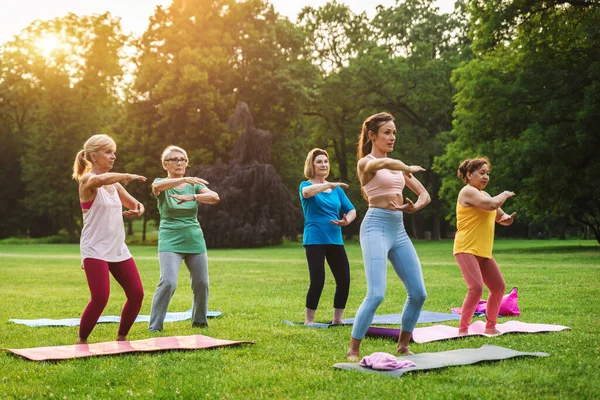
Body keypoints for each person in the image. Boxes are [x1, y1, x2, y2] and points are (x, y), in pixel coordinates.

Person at [347, 112, 429, 360]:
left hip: (398, 229)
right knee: (376, 294)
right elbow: (383, 164)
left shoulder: (398, 165)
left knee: (418, 293)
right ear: (372, 135)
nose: (392, 137)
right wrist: (404, 166)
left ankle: (403, 345)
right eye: (387, 132)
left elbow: (424, 194)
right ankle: (353, 349)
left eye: (394, 132)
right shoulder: (366, 163)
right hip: (375, 227)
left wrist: (415, 206)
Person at [72, 134, 146, 344]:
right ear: (93, 156)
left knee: (137, 294)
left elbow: (136, 204)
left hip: (117, 248)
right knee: (100, 298)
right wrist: (124, 174)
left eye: (114, 152)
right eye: (108, 152)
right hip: (94, 249)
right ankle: (82, 341)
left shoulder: (115, 186)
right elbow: (100, 179)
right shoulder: (88, 180)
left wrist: (138, 210)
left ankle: (122, 338)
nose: (113, 156)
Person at [148, 145, 220, 332]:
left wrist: (194, 196)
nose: (179, 162)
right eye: (174, 159)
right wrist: (184, 179)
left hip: (194, 237)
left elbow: (214, 197)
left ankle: (199, 322)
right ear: (165, 164)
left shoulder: (194, 185)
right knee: (169, 282)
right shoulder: (160, 182)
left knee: (201, 283)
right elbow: (156, 187)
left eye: (183, 159)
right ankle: (155, 326)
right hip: (170, 237)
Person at [454, 157, 515, 336]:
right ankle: (463, 330)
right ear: (468, 175)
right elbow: (493, 205)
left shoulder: (485, 195)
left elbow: (499, 215)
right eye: (481, 173)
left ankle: (490, 326)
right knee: (476, 288)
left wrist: (506, 220)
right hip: (466, 248)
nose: (486, 177)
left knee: (498, 287)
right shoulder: (467, 192)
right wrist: (504, 194)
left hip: (482, 250)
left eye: (487, 173)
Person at [299, 148, 356, 325]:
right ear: (312, 165)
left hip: (335, 239)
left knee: (344, 279)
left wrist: (347, 221)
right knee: (318, 280)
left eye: (326, 161)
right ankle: (309, 320)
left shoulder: (337, 191)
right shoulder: (306, 185)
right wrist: (329, 185)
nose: (324, 164)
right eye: (319, 162)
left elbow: (352, 210)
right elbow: (307, 194)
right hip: (314, 239)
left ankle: (337, 319)